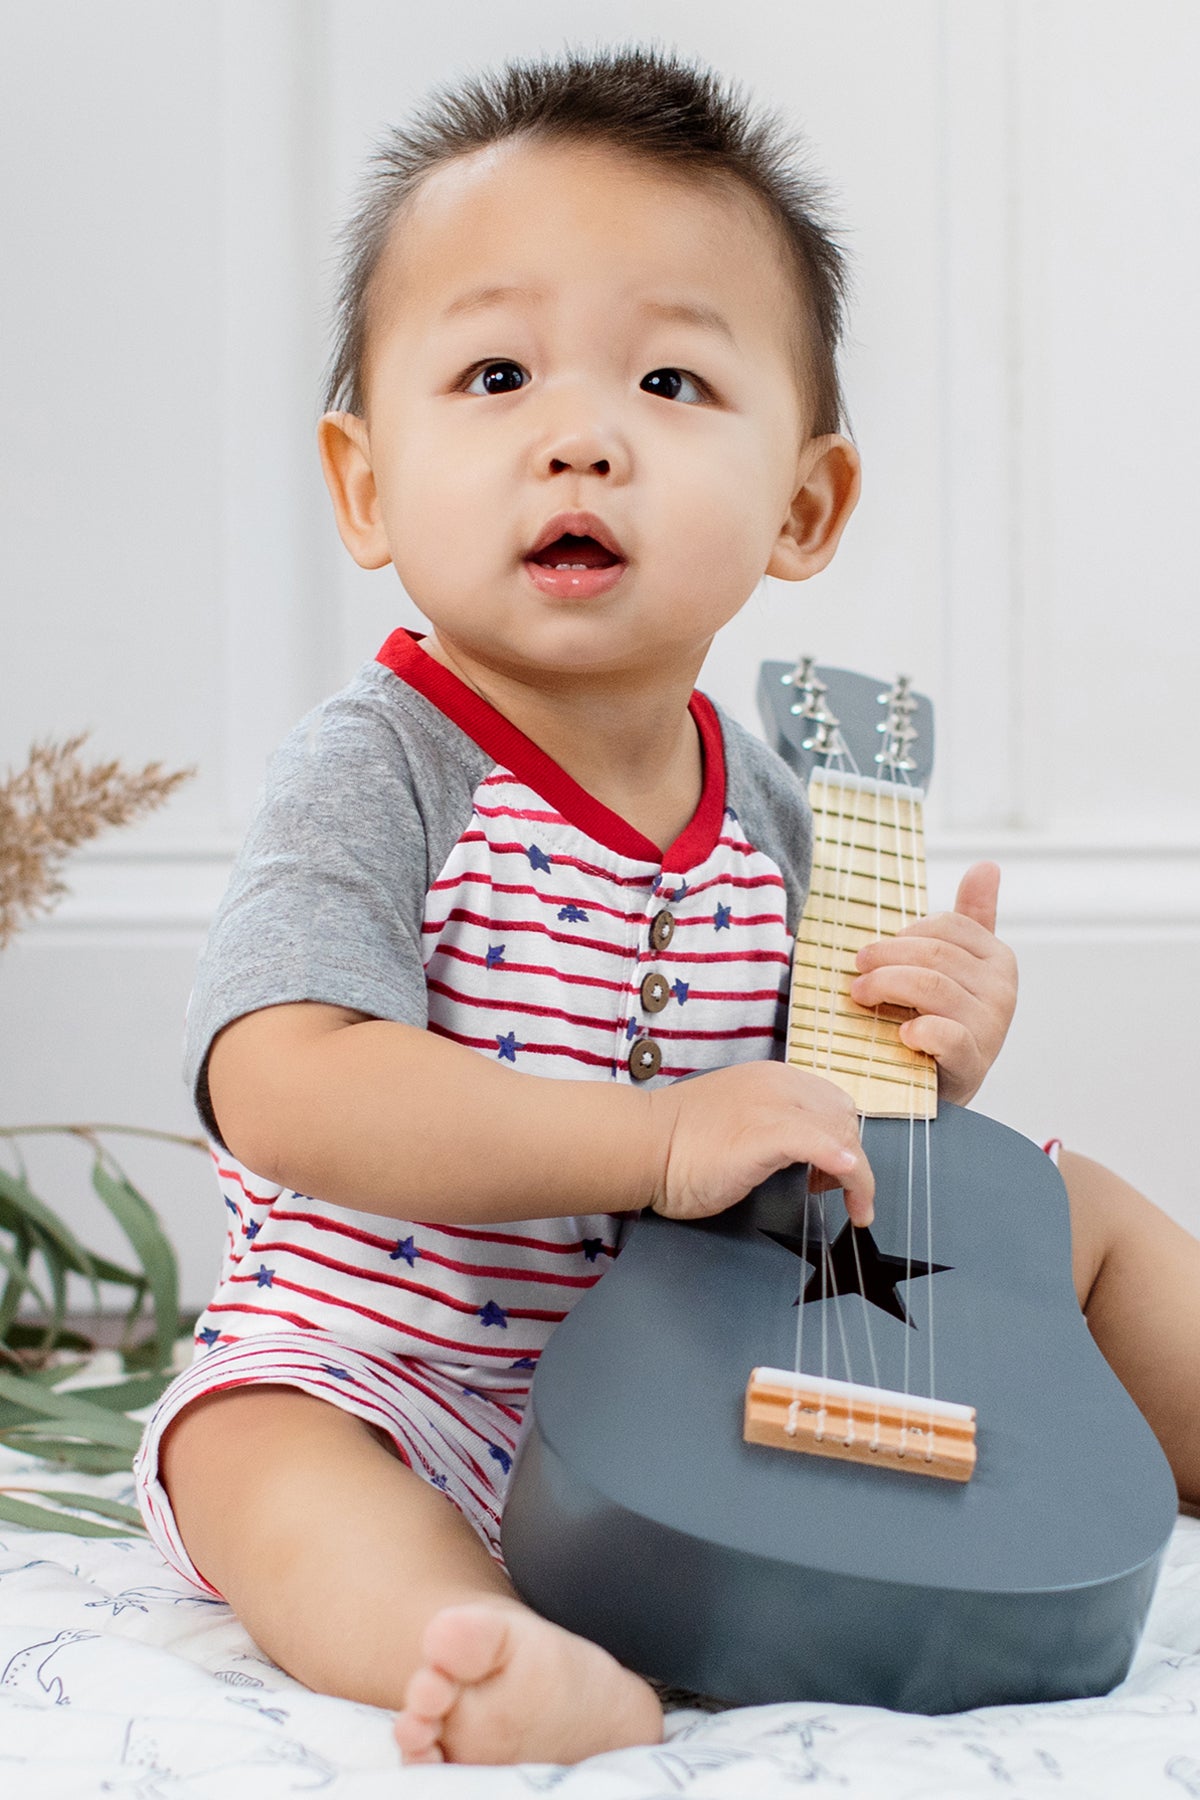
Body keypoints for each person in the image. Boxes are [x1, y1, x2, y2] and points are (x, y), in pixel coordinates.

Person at [133, 45, 1200, 1768]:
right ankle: (470, 1649)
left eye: (670, 382)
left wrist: (938, 1050)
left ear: (803, 505)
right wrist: (646, 1139)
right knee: (250, 1447)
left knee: (1070, 1206)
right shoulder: (383, 774)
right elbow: (286, 1081)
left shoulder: (781, 816)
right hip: (406, 1386)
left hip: (713, 1386)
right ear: (365, 483)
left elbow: (836, 1153)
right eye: (494, 372)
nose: (580, 436)